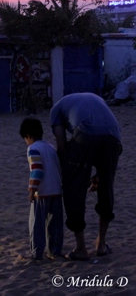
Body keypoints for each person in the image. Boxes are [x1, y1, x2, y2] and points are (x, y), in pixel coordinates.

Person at [50, 92, 122, 261]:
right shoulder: (96, 99)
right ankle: (101, 244)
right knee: (106, 185)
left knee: (74, 187)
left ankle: (81, 247)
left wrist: (67, 173)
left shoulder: (55, 110)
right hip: (114, 136)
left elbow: (61, 147)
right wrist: (99, 173)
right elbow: (106, 132)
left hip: (85, 131)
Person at [19, 117, 63, 260]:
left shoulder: (33, 149)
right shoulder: (50, 147)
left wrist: (32, 189)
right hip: (56, 190)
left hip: (42, 193)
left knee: (36, 224)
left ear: (28, 136)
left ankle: (36, 253)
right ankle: (54, 251)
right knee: (55, 226)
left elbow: (37, 170)